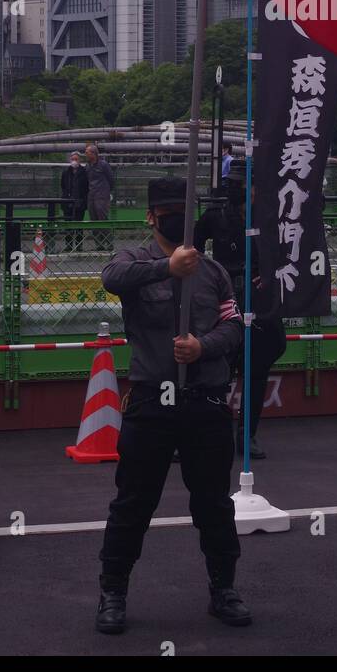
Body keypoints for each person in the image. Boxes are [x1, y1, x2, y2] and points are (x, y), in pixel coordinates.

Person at [95, 177, 250, 634]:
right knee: (133, 503)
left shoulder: (215, 272)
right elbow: (110, 278)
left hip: (205, 403)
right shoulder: (134, 260)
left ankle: (224, 589)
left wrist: (203, 348)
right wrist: (168, 268)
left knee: (214, 505)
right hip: (151, 404)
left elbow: (235, 327)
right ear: (150, 217)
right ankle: (112, 593)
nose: (175, 219)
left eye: (182, 210)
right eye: (165, 211)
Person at [195, 161, 287, 460]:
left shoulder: (272, 218)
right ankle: (215, 431)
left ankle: (247, 435)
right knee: (217, 369)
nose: (235, 188)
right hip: (225, 297)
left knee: (256, 369)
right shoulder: (215, 217)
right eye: (232, 182)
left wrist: (271, 273)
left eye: (240, 183)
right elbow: (193, 249)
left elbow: (291, 252)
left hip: (259, 298)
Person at [85, 143, 114, 251]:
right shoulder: (88, 166)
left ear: (94, 153)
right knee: (94, 220)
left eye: (87, 152)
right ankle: (99, 245)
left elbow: (111, 179)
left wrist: (106, 192)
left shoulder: (103, 165)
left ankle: (109, 243)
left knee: (103, 219)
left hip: (102, 196)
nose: (86, 155)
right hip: (91, 195)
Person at [60, 152, 89, 252]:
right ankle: (68, 245)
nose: (74, 161)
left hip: (80, 203)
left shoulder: (84, 172)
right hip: (67, 203)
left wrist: (83, 200)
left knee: (79, 225)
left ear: (79, 160)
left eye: (76, 159)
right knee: (68, 225)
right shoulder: (65, 172)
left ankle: (79, 245)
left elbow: (86, 187)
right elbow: (63, 186)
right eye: (73, 159)